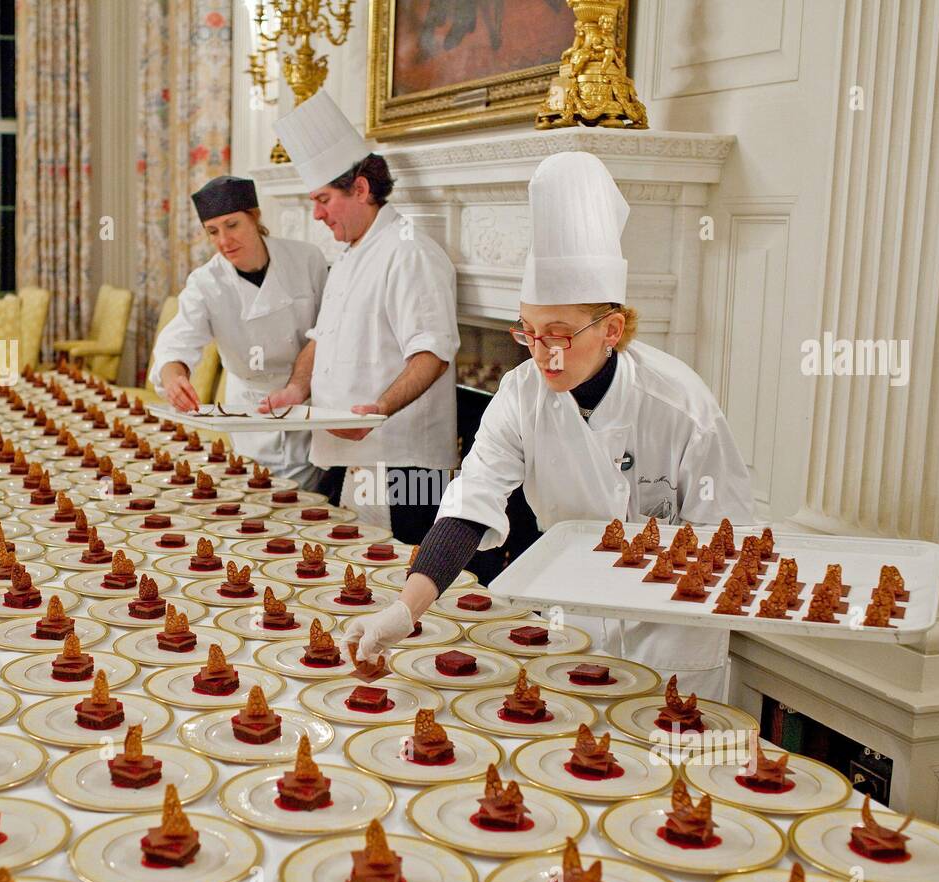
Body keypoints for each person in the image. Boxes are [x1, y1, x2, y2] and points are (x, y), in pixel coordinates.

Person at [343, 152, 755, 700]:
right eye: (528, 332)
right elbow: (470, 507)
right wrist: (403, 611)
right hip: (570, 628)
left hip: (670, 640)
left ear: (611, 329)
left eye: (558, 334)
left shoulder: (682, 406)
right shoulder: (520, 395)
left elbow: (731, 541)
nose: (542, 354)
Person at [261, 90, 460, 545]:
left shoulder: (410, 252)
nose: (316, 214)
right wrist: (296, 388)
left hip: (404, 465)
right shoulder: (350, 255)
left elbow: (434, 353)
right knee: (354, 579)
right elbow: (319, 340)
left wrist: (380, 410)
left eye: (323, 199)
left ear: (361, 189)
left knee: (402, 586)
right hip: (350, 456)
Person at [149, 176, 328, 487]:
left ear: (255, 217)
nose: (224, 241)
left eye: (232, 225)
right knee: (257, 498)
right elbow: (174, 345)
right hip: (249, 408)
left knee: (312, 503)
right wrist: (174, 378)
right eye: (213, 232)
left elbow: (330, 327)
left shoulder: (307, 259)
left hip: (308, 399)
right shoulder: (206, 282)